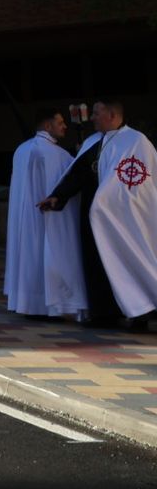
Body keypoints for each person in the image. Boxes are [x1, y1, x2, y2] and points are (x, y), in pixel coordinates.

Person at [39, 100, 157, 327]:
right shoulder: (93, 142)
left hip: (126, 220)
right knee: (96, 264)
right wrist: (58, 196)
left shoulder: (136, 141)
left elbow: (140, 182)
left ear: (112, 115)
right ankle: (105, 314)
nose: (91, 117)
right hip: (94, 217)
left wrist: (109, 202)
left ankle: (141, 313)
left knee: (129, 261)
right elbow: (78, 172)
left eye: (96, 113)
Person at [5, 110, 84, 318]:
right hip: (46, 218)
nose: (64, 126)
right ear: (48, 126)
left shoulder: (22, 149)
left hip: (25, 220)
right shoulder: (54, 154)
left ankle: (28, 303)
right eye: (60, 122)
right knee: (45, 256)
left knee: (29, 256)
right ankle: (49, 306)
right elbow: (70, 180)